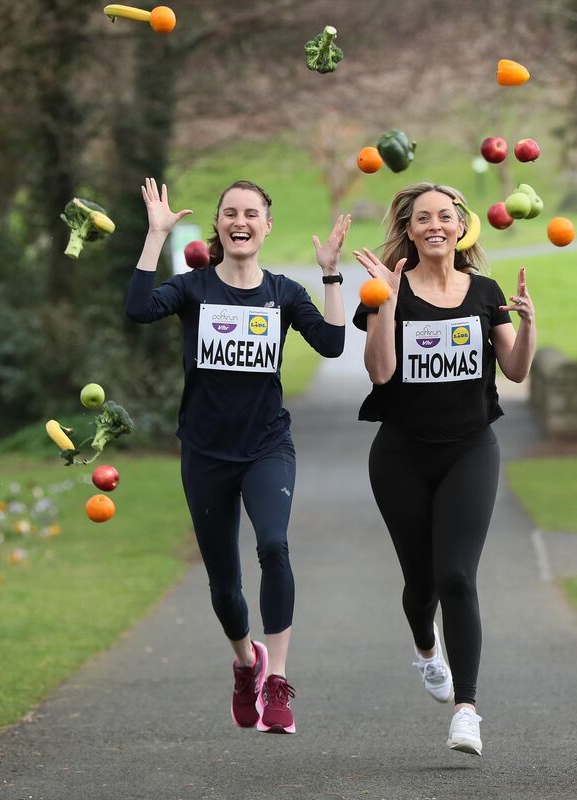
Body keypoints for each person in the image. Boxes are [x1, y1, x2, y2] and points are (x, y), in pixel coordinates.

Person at [126, 177, 350, 734]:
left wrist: (329, 273)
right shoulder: (194, 288)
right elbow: (137, 309)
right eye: (230, 213)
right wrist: (155, 235)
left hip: (267, 446)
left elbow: (333, 344)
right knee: (224, 583)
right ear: (220, 226)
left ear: (267, 226)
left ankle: (278, 682)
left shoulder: (283, 293)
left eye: (251, 212)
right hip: (205, 452)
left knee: (274, 545)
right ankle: (247, 664)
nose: (240, 220)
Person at [352, 182, 535, 756]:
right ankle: (427, 651)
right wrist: (381, 302)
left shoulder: (484, 290)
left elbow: (517, 369)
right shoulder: (386, 289)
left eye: (446, 216)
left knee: (457, 577)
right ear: (409, 230)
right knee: (421, 585)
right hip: (401, 453)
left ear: (461, 227)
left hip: (470, 449)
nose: (436, 224)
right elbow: (381, 374)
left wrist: (528, 323)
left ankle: (467, 711)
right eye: (423, 217)